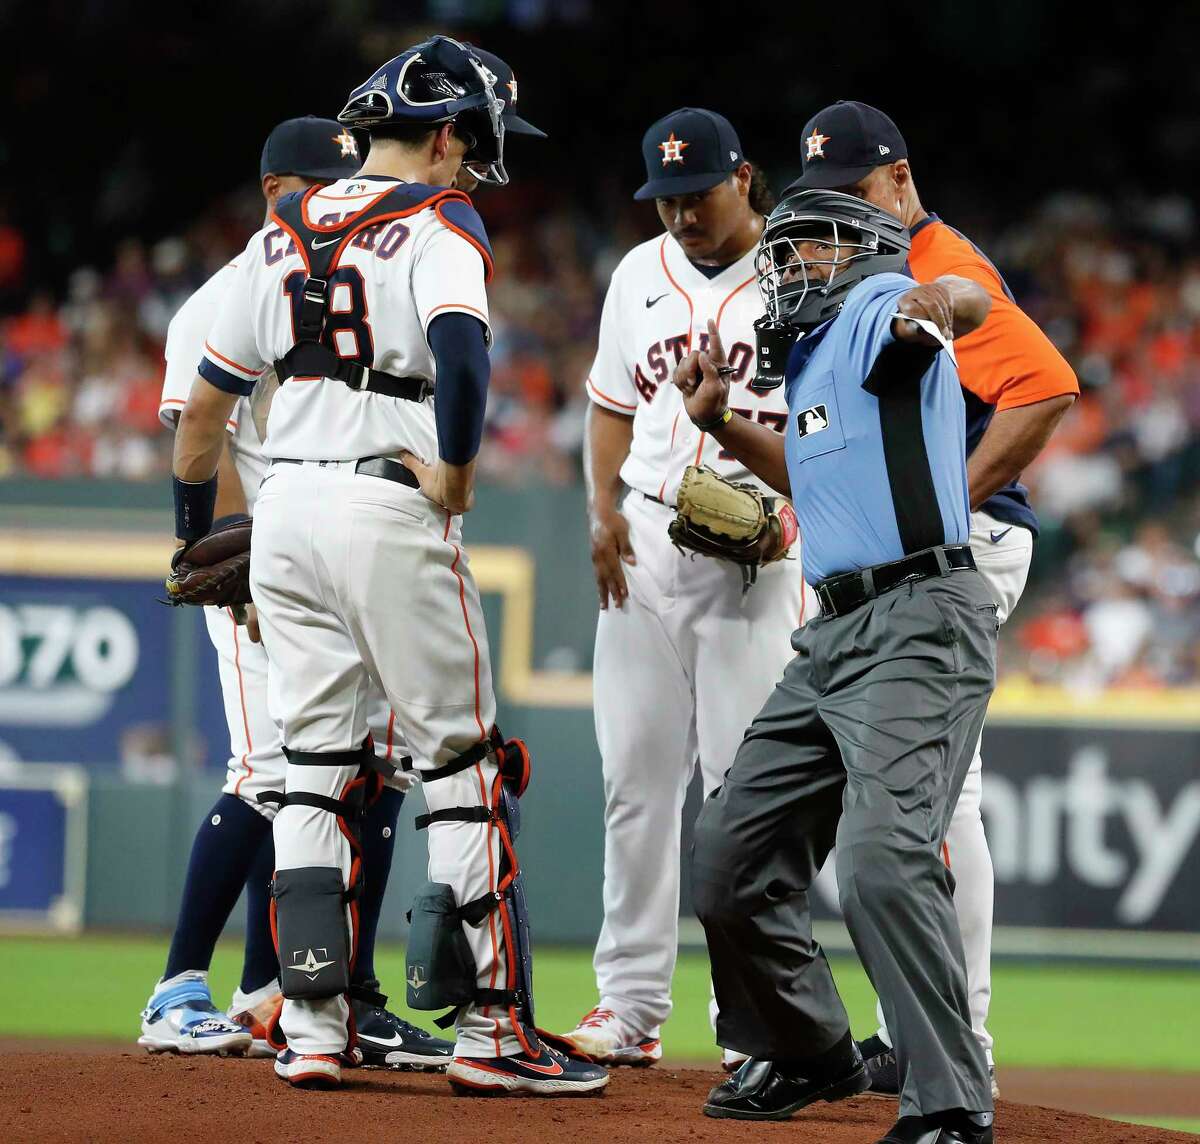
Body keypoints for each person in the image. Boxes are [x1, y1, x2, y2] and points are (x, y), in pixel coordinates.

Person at [169, 36, 607, 1096]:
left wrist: (196, 546)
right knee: (461, 763)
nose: (475, 170)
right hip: (384, 500)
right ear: (448, 135)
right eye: (475, 147)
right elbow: (463, 357)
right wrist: (457, 471)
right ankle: (493, 1029)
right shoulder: (440, 218)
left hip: (284, 513)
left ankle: (314, 1026)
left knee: (310, 770)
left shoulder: (274, 233)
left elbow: (202, 424)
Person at [678, 188, 998, 1144]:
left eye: (810, 244)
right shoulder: (817, 359)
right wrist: (722, 421)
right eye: (783, 248)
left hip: (918, 621)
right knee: (730, 851)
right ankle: (813, 1051)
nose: (788, 264)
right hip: (831, 635)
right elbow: (811, 471)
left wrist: (939, 304)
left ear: (861, 251)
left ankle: (951, 1102)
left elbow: (951, 311)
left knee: (881, 862)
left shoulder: (876, 309)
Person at [142, 115, 452, 1072]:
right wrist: (218, 557)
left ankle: (283, 990)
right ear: (278, 185)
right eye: (317, 183)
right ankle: (177, 990)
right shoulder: (235, 288)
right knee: (270, 771)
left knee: (354, 769)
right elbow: (199, 432)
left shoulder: (344, 268)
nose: (333, 199)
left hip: (333, 554)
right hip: (263, 566)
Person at [791, 100, 1078, 1096]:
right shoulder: (853, 269)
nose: (845, 211)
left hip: (961, 548)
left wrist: (954, 509)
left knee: (934, 794)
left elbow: (1044, 383)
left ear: (901, 181)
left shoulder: (934, 257)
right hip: (909, 553)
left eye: (859, 191)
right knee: (896, 796)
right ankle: (915, 1032)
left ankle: (962, 1042)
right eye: (828, 198)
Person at [560, 107, 813, 1070]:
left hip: (754, 552)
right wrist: (599, 510)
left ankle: (749, 1022)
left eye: (697, 194)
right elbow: (608, 405)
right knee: (635, 784)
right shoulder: (637, 275)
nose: (680, 216)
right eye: (665, 199)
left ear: (744, 177)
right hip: (647, 544)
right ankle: (628, 1006)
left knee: (742, 801)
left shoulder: (800, 271)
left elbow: (829, 423)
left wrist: (805, 510)